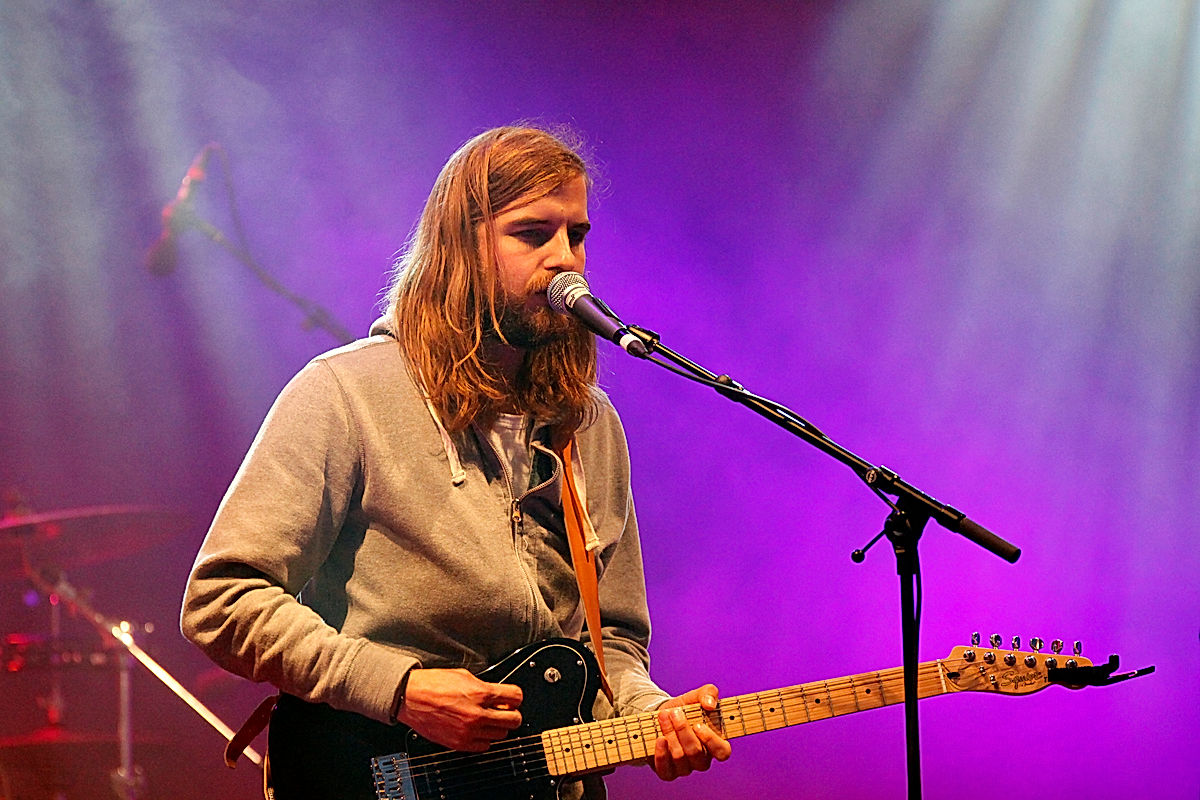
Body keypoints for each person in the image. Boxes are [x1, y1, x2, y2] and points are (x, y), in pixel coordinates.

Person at [180, 125, 730, 799]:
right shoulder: (344, 393)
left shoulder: (588, 424)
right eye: (533, 234)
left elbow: (611, 641)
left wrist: (651, 714)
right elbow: (221, 598)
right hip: (370, 771)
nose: (567, 260)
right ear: (462, 246)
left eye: (578, 235)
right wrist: (400, 689)